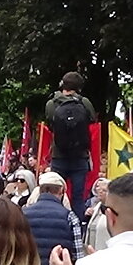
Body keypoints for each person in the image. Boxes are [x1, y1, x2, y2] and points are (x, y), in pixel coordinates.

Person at [24, 171, 84, 265]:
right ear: (61, 190)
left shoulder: (23, 214)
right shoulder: (70, 216)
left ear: (40, 190)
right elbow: (79, 257)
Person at [46, 71, 97, 214]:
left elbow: (51, 125)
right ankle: (78, 228)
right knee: (78, 198)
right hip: (80, 156)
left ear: (62, 84)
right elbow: (92, 120)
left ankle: (56, 222)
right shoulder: (84, 102)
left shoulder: (52, 103)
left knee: (55, 195)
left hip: (59, 155)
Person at [83, 177, 112, 253]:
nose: (100, 192)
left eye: (104, 190)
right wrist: (87, 216)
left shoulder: (113, 210)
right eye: (99, 189)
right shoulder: (96, 208)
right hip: (91, 249)